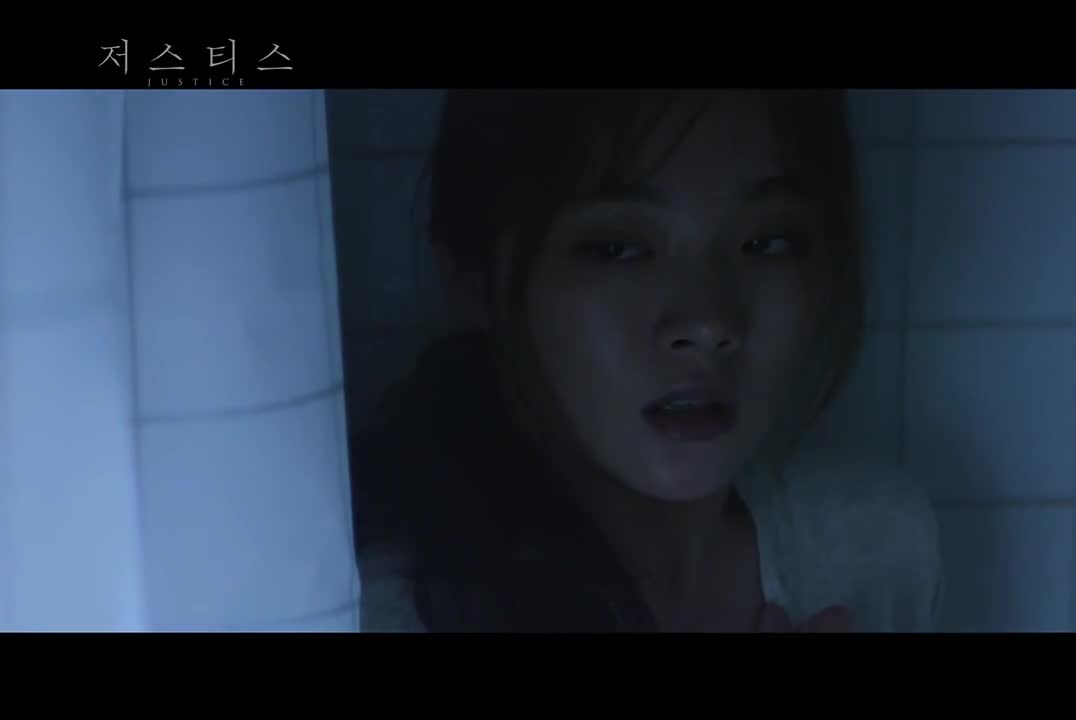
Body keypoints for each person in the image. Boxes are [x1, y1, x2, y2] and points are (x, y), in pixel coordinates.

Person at [351, 89, 943, 632]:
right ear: (472, 275)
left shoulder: (870, 551)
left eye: (767, 242)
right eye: (618, 248)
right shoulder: (369, 612)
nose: (709, 322)